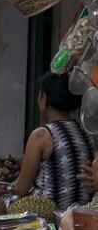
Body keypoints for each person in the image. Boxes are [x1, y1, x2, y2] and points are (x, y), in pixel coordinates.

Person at [15, 72, 96, 210]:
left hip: (46, 219)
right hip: (79, 218)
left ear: (43, 98)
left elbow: (20, 190)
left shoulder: (41, 135)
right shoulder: (87, 134)